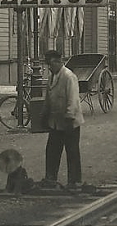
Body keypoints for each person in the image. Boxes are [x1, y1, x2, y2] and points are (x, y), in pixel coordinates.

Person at [42, 50, 85, 189]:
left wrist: (69, 116)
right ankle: (50, 178)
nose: (49, 67)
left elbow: (73, 99)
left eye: (50, 64)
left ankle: (74, 181)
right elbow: (49, 98)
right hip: (55, 122)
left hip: (69, 122)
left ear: (57, 62)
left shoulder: (69, 76)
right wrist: (45, 113)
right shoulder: (52, 77)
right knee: (52, 150)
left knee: (72, 151)